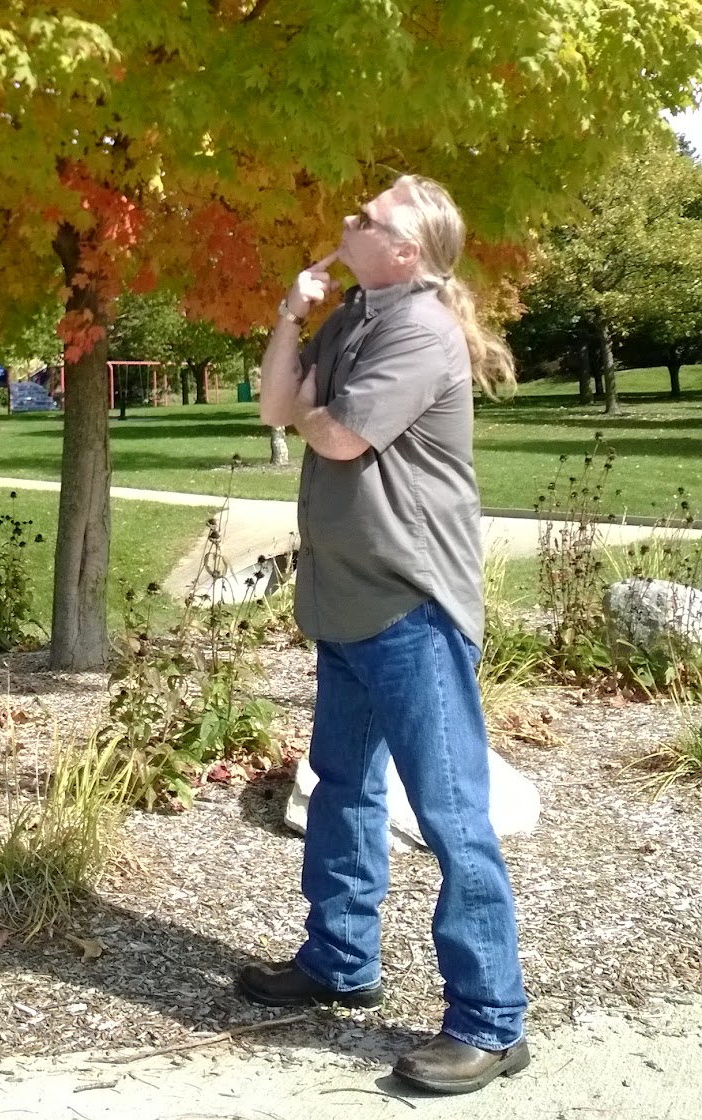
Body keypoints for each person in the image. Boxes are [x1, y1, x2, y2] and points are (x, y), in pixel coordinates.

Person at [236, 174, 529, 1098]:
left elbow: (337, 438)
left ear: (405, 252)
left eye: (368, 218)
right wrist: (291, 317)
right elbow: (275, 409)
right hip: (346, 603)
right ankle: (339, 961)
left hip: (411, 608)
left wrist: (311, 410)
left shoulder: (419, 330)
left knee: (450, 816)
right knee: (342, 789)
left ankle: (491, 1022)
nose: (348, 221)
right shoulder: (353, 318)